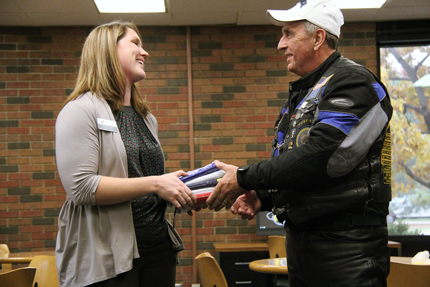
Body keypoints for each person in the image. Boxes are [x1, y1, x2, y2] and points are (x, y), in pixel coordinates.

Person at [207, 0, 393, 286]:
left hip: (346, 252)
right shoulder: (308, 91)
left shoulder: (353, 82)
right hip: (304, 246)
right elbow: (303, 170)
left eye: (288, 34)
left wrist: (244, 177)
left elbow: (322, 157)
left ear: (318, 38)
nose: (281, 45)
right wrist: (264, 195)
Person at [55, 21, 196, 287]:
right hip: (108, 260)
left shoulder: (146, 117)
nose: (145, 52)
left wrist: (178, 191)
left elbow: (141, 180)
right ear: (108, 50)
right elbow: (82, 188)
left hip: (157, 250)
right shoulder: (79, 111)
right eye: (135, 43)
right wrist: (156, 183)